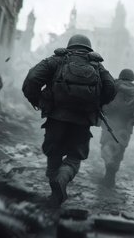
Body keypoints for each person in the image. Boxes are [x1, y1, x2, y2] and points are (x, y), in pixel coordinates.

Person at [22, 34, 116, 207]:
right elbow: (111, 88)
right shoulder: (96, 65)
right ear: (88, 48)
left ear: (70, 46)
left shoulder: (57, 60)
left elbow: (32, 79)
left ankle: (54, 193)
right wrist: (96, 104)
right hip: (83, 120)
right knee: (74, 155)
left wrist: (39, 101)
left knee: (54, 152)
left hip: (56, 117)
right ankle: (63, 178)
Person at [100, 69, 134, 187]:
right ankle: (111, 175)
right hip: (126, 127)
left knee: (106, 146)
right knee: (119, 150)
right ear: (132, 78)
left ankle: (109, 163)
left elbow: (101, 102)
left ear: (120, 76)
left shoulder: (112, 86)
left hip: (110, 123)